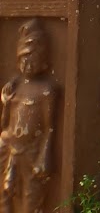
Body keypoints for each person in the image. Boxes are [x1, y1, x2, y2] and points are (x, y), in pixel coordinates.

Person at [0, 19, 58, 213]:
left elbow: (51, 127)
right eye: (24, 58)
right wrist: (6, 103)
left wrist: (44, 156)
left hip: (32, 150)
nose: (27, 64)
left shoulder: (46, 90)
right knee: (6, 193)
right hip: (10, 147)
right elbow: (4, 123)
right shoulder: (15, 86)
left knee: (31, 198)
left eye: (32, 58)